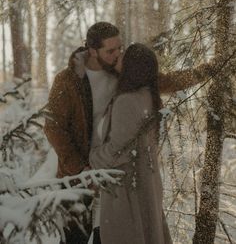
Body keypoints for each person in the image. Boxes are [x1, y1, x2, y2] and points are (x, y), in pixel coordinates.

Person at [44, 21, 216, 244]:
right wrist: (82, 169)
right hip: (79, 177)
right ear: (93, 50)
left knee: (105, 235)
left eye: (120, 48)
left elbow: (163, 80)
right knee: (73, 240)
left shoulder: (123, 74)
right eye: (111, 51)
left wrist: (206, 70)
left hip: (115, 173)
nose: (118, 55)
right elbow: (53, 127)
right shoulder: (67, 80)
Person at [89, 43, 173, 244]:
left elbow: (119, 151)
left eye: (123, 55)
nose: (119, 56)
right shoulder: (148, 95)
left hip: (128, 189)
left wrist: (93, 157)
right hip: (145, 183)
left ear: (133, 67)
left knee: (129, 235)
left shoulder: (127, 100)